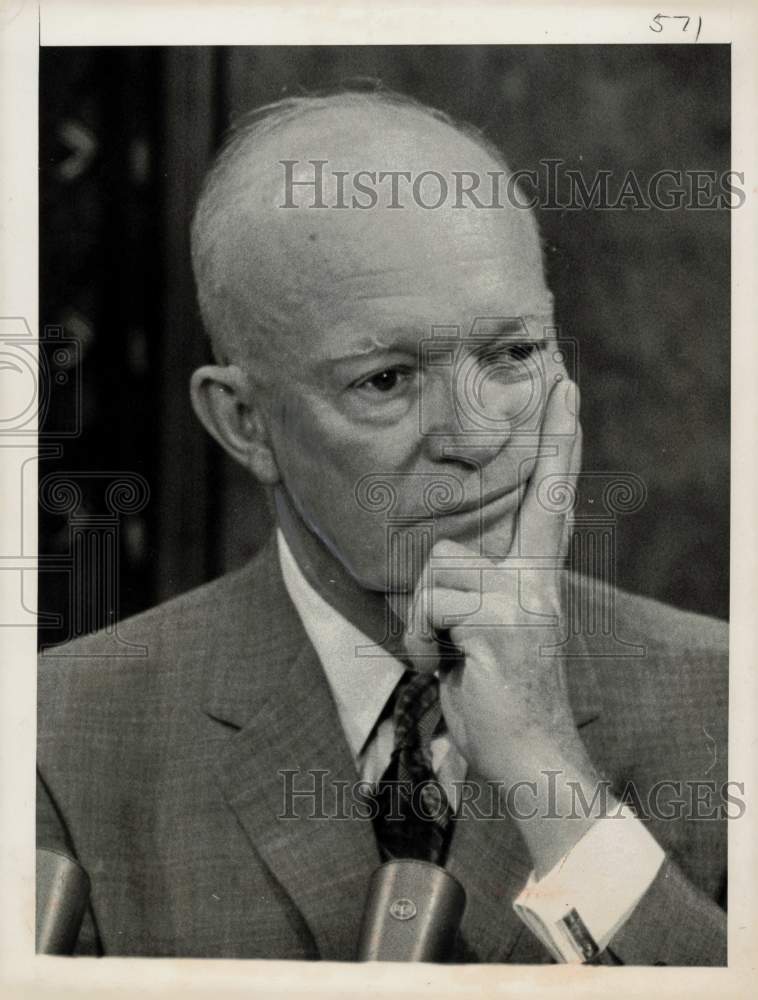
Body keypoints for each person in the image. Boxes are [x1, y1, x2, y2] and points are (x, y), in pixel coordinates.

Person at [37, 88, 728, 964]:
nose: (475, 439)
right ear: (246, 422)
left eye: (512, 354)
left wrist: (552, 786)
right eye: (387, 381)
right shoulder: (54, 740)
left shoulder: (725, 703)